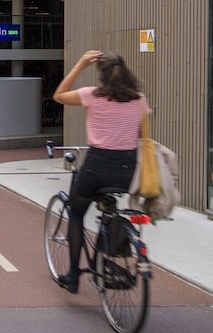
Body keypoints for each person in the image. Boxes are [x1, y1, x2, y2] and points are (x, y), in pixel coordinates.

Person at [53, 50, 150, 293]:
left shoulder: (92, 96)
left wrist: (80, 64)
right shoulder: (139, 99)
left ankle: (73, 276)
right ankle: (108, 246)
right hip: (127, 170)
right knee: (111, 210)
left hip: (96, 167)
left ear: (101, 74)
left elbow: (59, 95)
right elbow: (143, 138)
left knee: (76, 215)